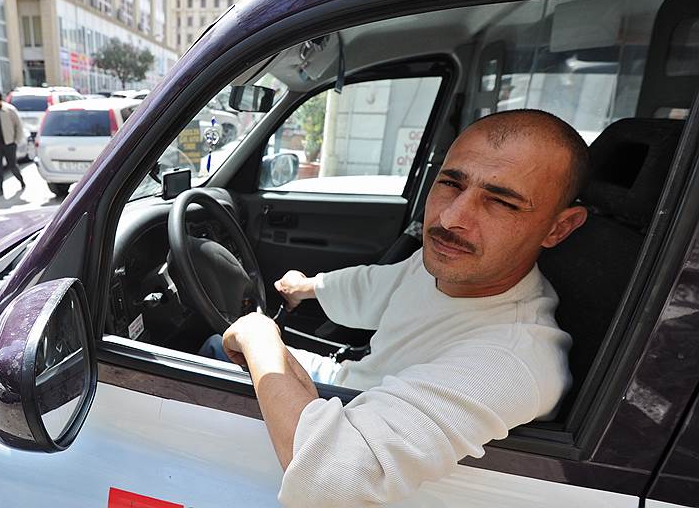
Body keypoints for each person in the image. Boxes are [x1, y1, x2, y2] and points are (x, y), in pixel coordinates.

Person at [215, 109, 589, 507]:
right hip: (350, 385)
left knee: (209, 350)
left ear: (558, 228)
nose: (451, 218)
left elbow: (331, 481)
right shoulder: (444, 266)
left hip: (351, 424)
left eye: (501, 202)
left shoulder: (515, 360)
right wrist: (306, 287)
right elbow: (375, 287)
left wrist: (259, 337)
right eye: (451, 183)